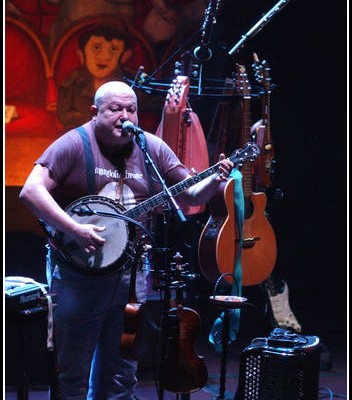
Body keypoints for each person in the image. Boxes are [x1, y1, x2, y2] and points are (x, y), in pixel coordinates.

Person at [19, 80, 234, 399]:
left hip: (131, 275)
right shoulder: (74, 144)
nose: (124, 116)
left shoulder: (151, 147)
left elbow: (189, 194)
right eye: (115, 109)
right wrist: (74, 228)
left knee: (121, 372)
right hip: (79, 275)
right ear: (95, 112)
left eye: (130, 109)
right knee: (72, 373)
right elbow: (30, 191)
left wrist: (215, 180)